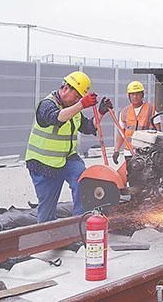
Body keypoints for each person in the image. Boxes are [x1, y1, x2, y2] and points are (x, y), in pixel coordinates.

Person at [25, 71, 113, 222]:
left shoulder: (73, 107)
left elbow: (87, 127)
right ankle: (48, 238)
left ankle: (79, 226)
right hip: (43, 164)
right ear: (66, 88)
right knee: (47, 211)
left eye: (80, 98)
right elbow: (56, 118)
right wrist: (81, 104)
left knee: (83, 181)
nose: (78, 100)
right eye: (77, 96)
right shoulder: (46, 104)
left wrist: (101, 112)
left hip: (68, 159)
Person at [112, 80, 157, 164]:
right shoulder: (124, 112)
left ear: (142, 95)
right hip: (129, 152)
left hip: (146, 153)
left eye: (137, 94)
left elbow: (158, 132)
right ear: (129, 96)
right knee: (131, 176)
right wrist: (116, 150)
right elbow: (121, 133)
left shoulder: (152, 110)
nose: (135, 97)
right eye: (132, 94)